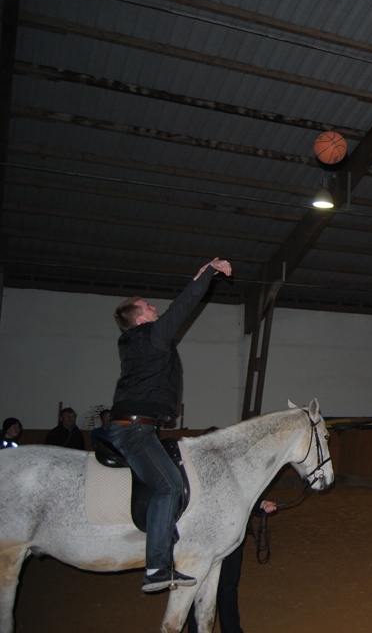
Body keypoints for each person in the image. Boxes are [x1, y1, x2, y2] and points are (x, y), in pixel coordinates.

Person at [109, 256, 232, 593]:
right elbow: (183, 306)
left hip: (137, 425)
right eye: (148, 306)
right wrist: (208, 274)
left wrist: (203, 271)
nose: (154, 308)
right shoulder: (151, 336)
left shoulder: (133, 341)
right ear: (139, 318)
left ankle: (170, 536)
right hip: (135, 429)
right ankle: (156, 569)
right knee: (169, 486)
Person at [187, 497, 278, 633]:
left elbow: (239, 491)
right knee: (200, 587)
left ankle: (231, 629)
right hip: (203, 532)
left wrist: (260, 503)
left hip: (231, 532)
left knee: (228, 586)